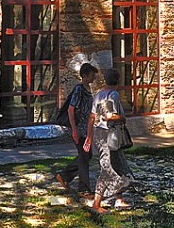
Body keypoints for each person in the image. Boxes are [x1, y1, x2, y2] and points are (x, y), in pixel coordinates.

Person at [83, 67, 135, 213]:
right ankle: (96, 204)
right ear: (117, 81)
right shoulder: (114, 95)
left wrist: (89, 136)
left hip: (99, 133)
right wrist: (123, 118)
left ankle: (119, 199)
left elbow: (92, 117)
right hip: (109, 134)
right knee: (107, 169)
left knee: (117, 164)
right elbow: (110, 116)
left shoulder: (99, 95)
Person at [56, 62, 98, 196]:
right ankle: (83, 189)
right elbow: (71, 109)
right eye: (92, 75)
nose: (94, 78)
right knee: (84, 156)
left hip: (85, 129)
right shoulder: (79, 90)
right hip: (79, 129)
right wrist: (74, 130)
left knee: (86, 155)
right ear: (84, 76)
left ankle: (64, 176)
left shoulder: (87, 89)